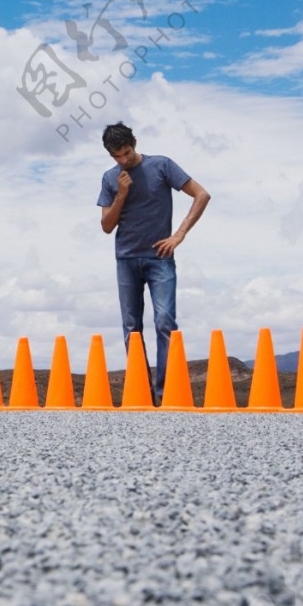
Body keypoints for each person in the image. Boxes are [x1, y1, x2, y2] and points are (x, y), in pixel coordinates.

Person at [96, 122, 211, 405]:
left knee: (164, 321)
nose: (122, 160)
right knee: (131, 327)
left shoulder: (162, 165)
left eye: (126, 153)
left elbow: (202, 194)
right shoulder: (110, 178)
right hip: (126, 259)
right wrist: (121, 194)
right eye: (116, 157)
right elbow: (106, 226)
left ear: (134, 143)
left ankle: (166, 396)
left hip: (160, 258)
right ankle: (142, 398)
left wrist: (179, 234)